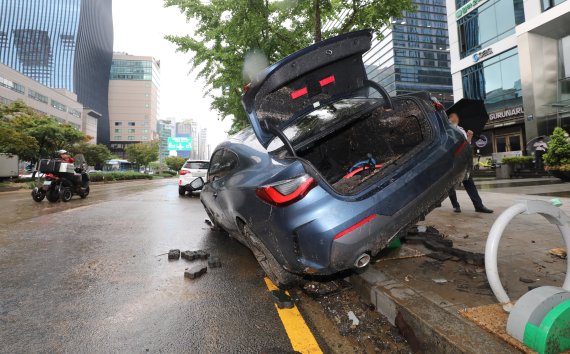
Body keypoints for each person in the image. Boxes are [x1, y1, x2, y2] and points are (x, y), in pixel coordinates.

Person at [447, 112, 493, 214]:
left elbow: (466, 146)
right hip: (452, 160)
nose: (455, 117)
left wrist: (469, 138)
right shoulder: (447, 130)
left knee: (469, 182)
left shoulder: (462, 130)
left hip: (463, 161)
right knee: (450, 184)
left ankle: (478, 205)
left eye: (456, 115)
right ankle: (455, 205)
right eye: (452, 115)